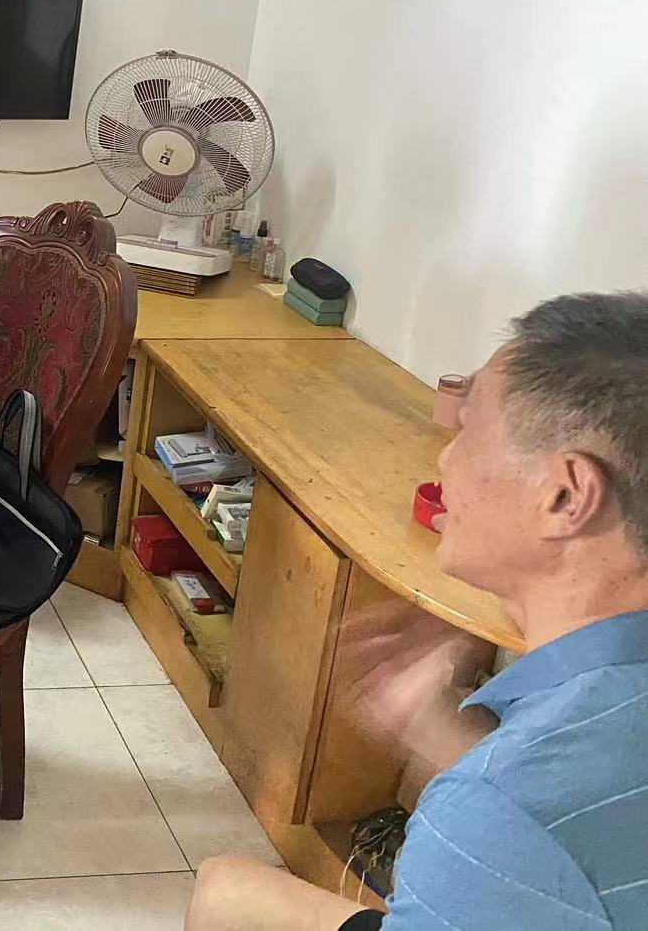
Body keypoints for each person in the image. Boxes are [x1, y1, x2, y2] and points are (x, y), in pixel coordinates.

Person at [186, 292, 648, 931]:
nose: (445, 457)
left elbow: (531, 818)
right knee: (227, 890)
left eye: (471, 432)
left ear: (565, 496)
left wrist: (484, 788)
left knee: (224, 894)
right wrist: (438, 730)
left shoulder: (493, 809)